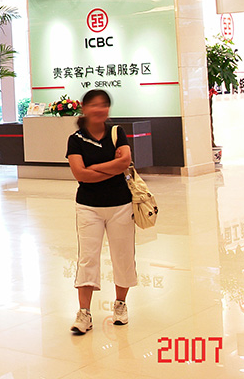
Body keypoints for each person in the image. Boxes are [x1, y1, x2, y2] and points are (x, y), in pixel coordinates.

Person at [65, 89, 136, 335]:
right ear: (84, 108)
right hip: (88, 207)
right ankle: (84, 313)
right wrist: (111, 167)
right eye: (94, 105)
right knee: (87, 258)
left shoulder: (117, 132)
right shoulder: (76, 139)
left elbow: (125, 162)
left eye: (104, 104)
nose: (99, 109)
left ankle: (120, 305)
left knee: (123, 256)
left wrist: (93, 168)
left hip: (121, 205)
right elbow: (79, 174)